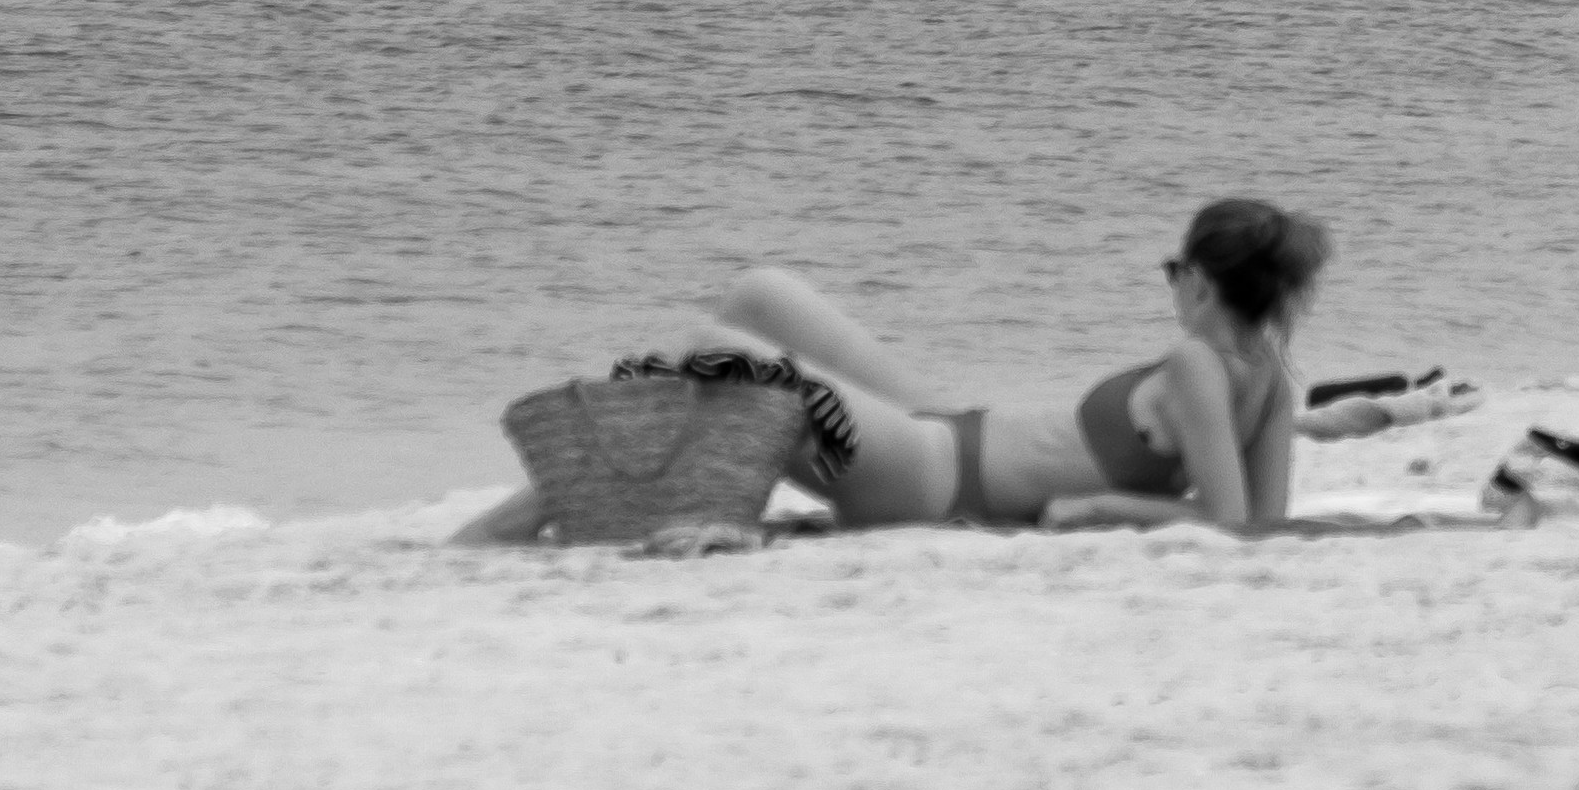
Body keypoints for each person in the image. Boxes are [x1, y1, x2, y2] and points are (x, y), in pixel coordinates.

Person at [473, 198, 1334, 542]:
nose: (1170, 289)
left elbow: (1229, 523)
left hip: (927, 482)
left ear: (1204, 282)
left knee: (715, 351)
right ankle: (577, 480)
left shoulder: (1193, 362)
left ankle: (550, 494)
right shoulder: (1267, 380)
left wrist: (1103, 507)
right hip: (942, 429)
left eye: (1173, 273)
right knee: (758, 294)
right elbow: (1266, 520)